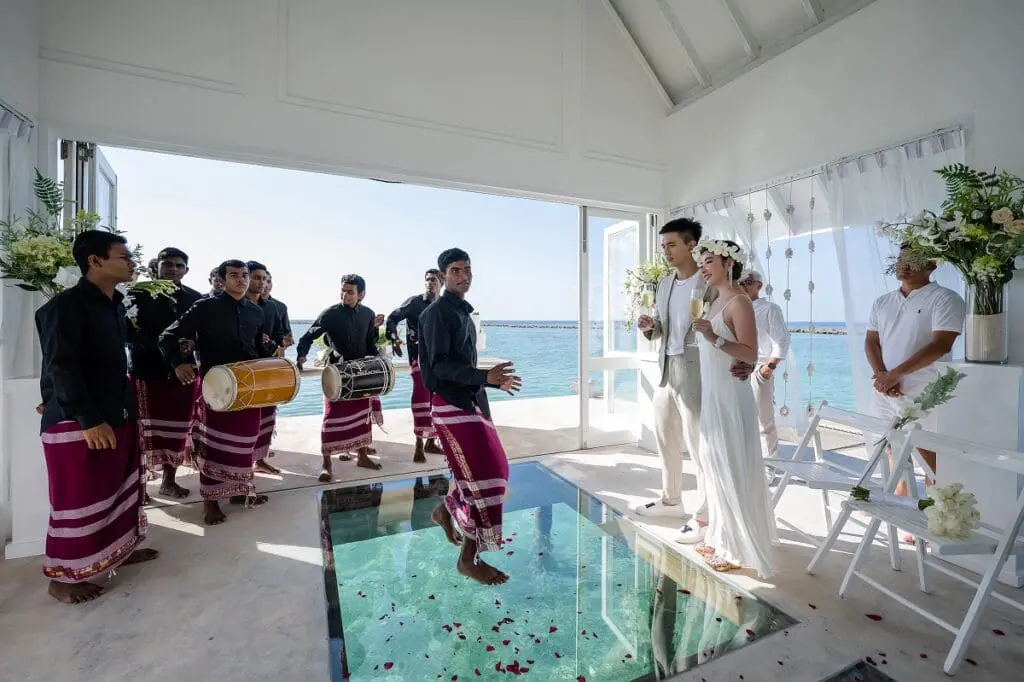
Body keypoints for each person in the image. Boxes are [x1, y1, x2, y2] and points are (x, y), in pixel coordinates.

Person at [35, 230, 159, 604]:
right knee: (78, 500)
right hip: (82, 422)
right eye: (125, 257)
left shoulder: (114, 306)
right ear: (95, 261)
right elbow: (60, 365)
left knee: (116, 490)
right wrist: (87, 419)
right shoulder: (66, 306)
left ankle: (116, 551)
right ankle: (63, 578)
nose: (133, 263)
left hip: (116, 412)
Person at [635, 218, 752, 541]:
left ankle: (704, 515)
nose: (666, 251)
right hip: (666, 369)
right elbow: (661, 328)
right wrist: (650, 328)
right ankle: (671, 500)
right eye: (663, 246)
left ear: (691, 245)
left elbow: (732, 323)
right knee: (666, 439)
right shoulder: (664, 284)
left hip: (698, 371)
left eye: (672, 244)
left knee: (701, 446)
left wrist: (746, 361)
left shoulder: (711, 283)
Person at [419, 248, 521, 586]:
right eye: (456, 270)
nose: (464, 276)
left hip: (470, 401)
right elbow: (439, 366)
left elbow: (461, 364)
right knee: (486, 476)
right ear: (443, 276)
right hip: (450, 406)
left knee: (493, 472)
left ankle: (446, 510)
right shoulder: (437, 314)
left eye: (467, 269)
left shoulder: (462, 312)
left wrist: (489, 382)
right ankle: (467, 559)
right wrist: (483, 376)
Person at [159, 259, 275, 525]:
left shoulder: (256, 312)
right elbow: (167, 336)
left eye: (244, 275)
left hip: (248, 387)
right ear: (222, 279)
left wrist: (270, 351)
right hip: (215, 386)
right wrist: (179, 363)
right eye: (234, 275)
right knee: (214, 444)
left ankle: (239, 491)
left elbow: (258, 348)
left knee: (245, 442)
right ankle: (210, 502)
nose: (241, 280)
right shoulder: (206, 307)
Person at [865, 245, 964, 539]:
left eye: (914, 261)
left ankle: (939, 520)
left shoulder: (945, 298)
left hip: (926, 390)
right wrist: (882, 376)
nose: (904, 266)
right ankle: (904, 514)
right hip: (885, 391)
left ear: (932, 265)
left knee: (929, 456)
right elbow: (871, 342)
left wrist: (895, 375)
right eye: (901, 260)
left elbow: (941, 344)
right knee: (893, 450)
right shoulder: (882, 302)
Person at [690, 239, 776, 576]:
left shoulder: (739, 301)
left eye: (709, 261)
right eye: (702, 262)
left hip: (730, 395)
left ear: (729, 263)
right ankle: (719, 535)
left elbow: (750, 353)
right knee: (714, 464)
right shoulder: (713, 301)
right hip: (714, 393)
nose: (703, 268)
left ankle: (736, 547)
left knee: (731, 463)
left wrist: (713, 337)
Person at [127, 247, 202, 499]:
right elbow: (129, 334)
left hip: (183, 376)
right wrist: (172, 356)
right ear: (155, 266)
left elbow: (200, 334)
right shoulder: (135, 294)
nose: (174, 269)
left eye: (179, 265)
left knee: (178, 430)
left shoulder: (195, 298)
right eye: (168, 264)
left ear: (187, 270)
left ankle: (169, 481)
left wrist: (190, 350)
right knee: (141, 432)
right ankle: (140, 487)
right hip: (145, 372)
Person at [295, 274, 385, 478]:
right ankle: (326, 464)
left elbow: (369, 343)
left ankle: (362, 456)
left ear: (361, 294)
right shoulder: (330, 314)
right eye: (343, 290)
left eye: (350, 291)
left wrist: (378, 361)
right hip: (338, 372)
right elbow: (307, 337)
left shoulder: (368, 314)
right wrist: (301, 356)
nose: (345, 295)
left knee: (362, 416)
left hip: (361, 372)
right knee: (331, 418)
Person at [385, 268, 444, 462]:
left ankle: (431, 442)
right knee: (421, 397)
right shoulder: (414, 302)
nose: (430, 282)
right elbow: (392, 318)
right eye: (427, 279)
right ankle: (419, 443)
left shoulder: (445, 305)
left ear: (442, 283)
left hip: (439, 360)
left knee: (437, 400)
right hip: (418, 358)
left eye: (434, 280)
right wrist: (394, 339)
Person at [738, 270, 791, 458]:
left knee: (764, 421)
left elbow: (782, 340)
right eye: (739, 282)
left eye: (747, 282)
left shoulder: (770, 309)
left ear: (758, 285)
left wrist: (769, 368)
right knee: (740, 418)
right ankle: (748, 461)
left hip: (759, 369)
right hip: (737, 369)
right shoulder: (736, 308)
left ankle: (770, 464)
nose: (742, 285)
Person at [245, 261, 285, 474]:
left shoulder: (272, 307)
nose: (262, 283)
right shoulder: (233, 304)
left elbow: (279, 336)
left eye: (265, 279)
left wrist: (271, 343)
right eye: (257, 278)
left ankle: (260, 459)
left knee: (266, 417)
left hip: (266, 369)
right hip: (241, 371)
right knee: (243, 421)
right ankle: (241, 465)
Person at [264, 271, 293, 348]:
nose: (265, 285)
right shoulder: (244, 305)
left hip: (273, 353)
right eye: (263, 280)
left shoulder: (281, 307)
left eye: (268, 281)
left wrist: (282, 346)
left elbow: (287, 336)